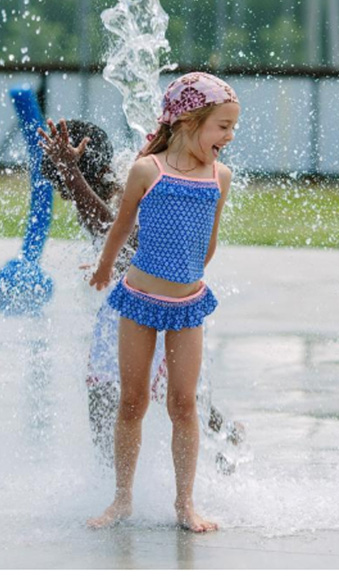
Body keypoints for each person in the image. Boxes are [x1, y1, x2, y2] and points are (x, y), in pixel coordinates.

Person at [38, 116, 242, 479]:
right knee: (163, 393)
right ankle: (223, 439)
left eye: (62, 184)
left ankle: (112, 477)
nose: (63, 193)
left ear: (91, 167)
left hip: (158, 304)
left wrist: (71, 174)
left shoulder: (122, 182)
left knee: (138, 394)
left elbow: (114, 229)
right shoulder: (111, 181)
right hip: (138, 302)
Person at [83, 72, 239, 534]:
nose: (228, 138)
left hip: (188, 305)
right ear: (189, 121)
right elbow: (119, 227)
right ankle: (123, 498)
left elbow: (208, 246)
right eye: (222, 127)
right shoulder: (146, 172)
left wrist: (186, 274)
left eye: (232, 128)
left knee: (183, 405)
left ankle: (185, 504)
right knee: (131, 402)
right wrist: (103, 268)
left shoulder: (219, 177)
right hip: (138, 300)